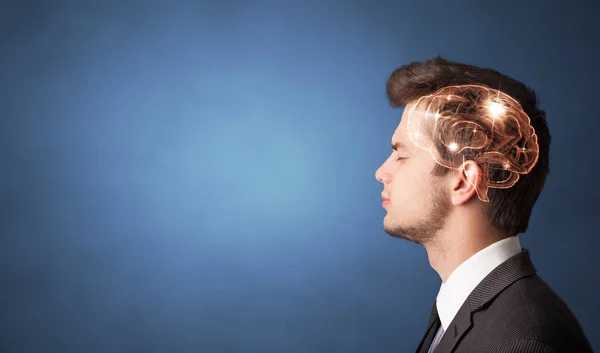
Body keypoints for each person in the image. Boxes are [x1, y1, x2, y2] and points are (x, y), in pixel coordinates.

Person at [375, 56, 593, 353]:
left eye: (401, 155)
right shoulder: (462, 309)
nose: (381, 173)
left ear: (463, 183)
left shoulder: (523, 342)